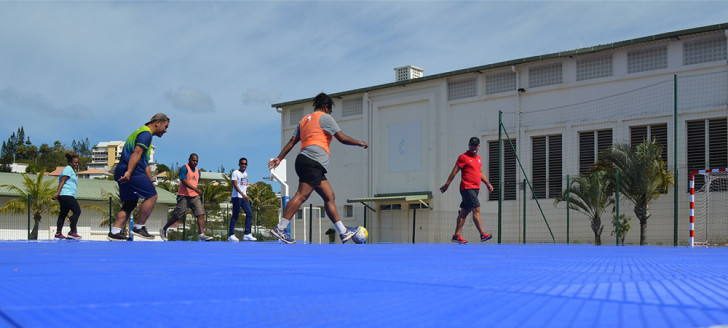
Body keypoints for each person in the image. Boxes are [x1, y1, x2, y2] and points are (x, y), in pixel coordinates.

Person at [268, 92, 368, 244]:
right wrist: (359, 143)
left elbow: (291, 142)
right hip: (312, 161)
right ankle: (280, 228)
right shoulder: (325, 118)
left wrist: (279, 158)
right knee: (302, 195)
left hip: (306, 161)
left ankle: (343, 232)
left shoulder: (304, 120)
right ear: (326, 107)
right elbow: (341, 138)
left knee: (329, 196)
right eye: (331, 110)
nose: (331, 112)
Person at [107, 113, 169, 241]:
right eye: (165, 126)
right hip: (131, 170)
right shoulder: (145, 134)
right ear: (157, 123)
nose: (166, 130)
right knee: (152, 196)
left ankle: (115, 231)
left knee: (130, 202)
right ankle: (139, 227)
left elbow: (145, 162)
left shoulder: (142, 133)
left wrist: (151, 180)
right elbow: (137, 152)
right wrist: (129, 172)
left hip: (122, 170)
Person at [439, 137, 494, 244]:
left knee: (464, 212)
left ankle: (456, 236)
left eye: (475, 145)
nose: (474, 147)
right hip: (467, 188)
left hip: (475, 188)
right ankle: (482, 234)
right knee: (476, 208)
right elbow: (454, 171)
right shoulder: (463, 157)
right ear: (469, 145)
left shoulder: (478, 158)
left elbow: (480, 173)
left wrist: (487, 183)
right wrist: (447, 185)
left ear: (479, 146)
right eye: (472, 145)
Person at [159, 153, 213, 242]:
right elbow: (184, 181)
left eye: (196, 161)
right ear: (189, 160)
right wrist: (196, 189)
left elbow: (195, 182)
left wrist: (196, 191)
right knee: (177, 215)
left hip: (194, 196)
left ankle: (201, 235)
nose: (195, 162)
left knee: (200, 213)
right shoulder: (184, 168)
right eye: (193, 160)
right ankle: (164, 229)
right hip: (184, 196)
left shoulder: (197, 171)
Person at [52, 152, 82, 239]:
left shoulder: (70, 170)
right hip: (66, 194)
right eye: (75, 162)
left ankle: (58, 233)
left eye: (78, 163)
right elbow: (62, 181)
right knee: (77, 211)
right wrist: (57, 193)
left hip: (65, 195)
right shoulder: (68, 169)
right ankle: (72, 231)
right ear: (70, 162)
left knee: (63, 214)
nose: (77, 164)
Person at [228, 157, 256, 242]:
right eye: (242, 164)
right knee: (235, 215)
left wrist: (245, 195)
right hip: (237, 197)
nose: (244, 165)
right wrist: (242, 194)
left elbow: (244, 186)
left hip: (244, 197)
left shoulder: (246, 174)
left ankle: (247, 234)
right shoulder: (235, 173)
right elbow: (236, 185)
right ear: (239, 164)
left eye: (245, 164)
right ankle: (231, 235)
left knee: (249, 213)